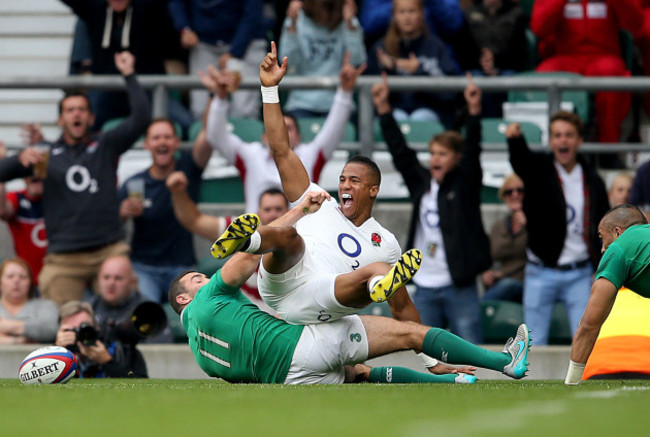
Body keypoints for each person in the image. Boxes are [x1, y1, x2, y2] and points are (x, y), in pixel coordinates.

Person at [257, 42, 425, 329]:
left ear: (373, 190)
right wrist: (270, 89)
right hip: (284, 286)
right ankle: (249, 241)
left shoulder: (386, 244)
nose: (344, 186)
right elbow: (282, 150)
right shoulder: (318, 202)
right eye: (342, 179)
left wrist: (427, 356)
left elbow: (403, 306)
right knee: (289, 236)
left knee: (379, 272)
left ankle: (376, 287)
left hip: (325, 310)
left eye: (355, 181)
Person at [168, 253, 531, 384]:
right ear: (184, 297)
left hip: (291, 379)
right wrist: (270, 233)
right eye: (197, 279)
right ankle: (505, 361)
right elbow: (245, 260)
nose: (206, 278)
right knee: (409, 333)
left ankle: (452, 384)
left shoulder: (200, 355)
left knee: (361, 374)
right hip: (304, 344)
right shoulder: (208, 299)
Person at [0, 52, 150, 307]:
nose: (76, 114)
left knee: (128, 309)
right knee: (54, 320)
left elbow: (141, 119)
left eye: (82, 109)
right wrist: (19, 159)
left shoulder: (106, 144)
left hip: (108, 249)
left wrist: (129, 74)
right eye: (70, 110)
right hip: (63, 257)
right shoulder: (45, 153)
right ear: (60, 120)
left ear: (91, 118)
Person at [370, 72, 489, 344]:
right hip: (424, 285)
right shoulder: (421, 183)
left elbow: (473, 151)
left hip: (459, 285)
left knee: (472, 348)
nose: (434, 158)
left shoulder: (465, 185)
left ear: (456, 159)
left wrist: (474, 111)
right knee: (425, 351)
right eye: (432, 153)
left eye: (442, 154)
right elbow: (400, 152)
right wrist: (384, 110)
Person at [202, 56, 358, 213]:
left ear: (299, 137)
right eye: (276, 128)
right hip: (259, 234)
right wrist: (220, 98)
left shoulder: (310, 154)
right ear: (264, 137)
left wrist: (345, 92)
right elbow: (215, 135)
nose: (281, 132)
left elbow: (334, 129)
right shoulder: (251, 155)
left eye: (288, 128)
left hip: (300, 235)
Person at [506, 111, 610, 345]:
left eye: (569, 135)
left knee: (586, 342)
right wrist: (514, 139)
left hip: (581, 273)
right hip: (540, 271)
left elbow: (603, 226)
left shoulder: (593, 179)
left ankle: (583, 383)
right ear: (551, 141)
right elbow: (521, 161)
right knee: (532, 345)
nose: (563, 140)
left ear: (579, 141)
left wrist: (600, 267)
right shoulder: (539, 170)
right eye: (557, 135)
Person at [60, 0, 192, 132]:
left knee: (186, 124)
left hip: (146, 89)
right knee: (82, 123)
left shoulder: (149, 8)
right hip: (107, 90)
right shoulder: (95, 8)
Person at [118, 118, 212, 303]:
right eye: (156, 138)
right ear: (146, 144)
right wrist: (121, 214)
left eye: (168, 137)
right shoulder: (134, 184)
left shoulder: (187, 171)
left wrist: (217, 97)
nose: (162, 142)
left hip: (181, 267)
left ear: (177, 143)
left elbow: (208, 135)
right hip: (143, 268)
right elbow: (110, 228)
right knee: (146, 312)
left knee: (196, 311)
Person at [166, 171, 288, 311]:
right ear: (258, 212)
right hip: (247, 315)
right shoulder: (241, 229)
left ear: (287, 211)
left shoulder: (303, 235)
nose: (273, 214)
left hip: (287, 315)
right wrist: (177, 193)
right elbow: (194, 221)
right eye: (268, 209)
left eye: (278, 209)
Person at [530, 0, 644, 144]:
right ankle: (549, 144)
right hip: (566, 56)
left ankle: (608, 147)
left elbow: (636, 24)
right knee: (545, 76)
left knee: (612, 75)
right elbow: (539, 27)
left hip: (604, 55)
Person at [565, 204, 649, 385]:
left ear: (618, 232)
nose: (603, 249)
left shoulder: (617, 249)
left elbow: (589, 324)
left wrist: (571, 382)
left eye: (602, 238)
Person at [168, 0, 268, 119]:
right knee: (200, 109)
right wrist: (185, 28)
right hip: (205, 42)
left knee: (244, 111)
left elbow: (252, 14)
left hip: (246, 43)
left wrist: (234, 52)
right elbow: (176, 3)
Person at [367, 0, 459, 126]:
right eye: (402, 12)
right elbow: (368, 89)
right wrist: (388, 69)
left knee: (421, 117)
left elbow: (450, 92)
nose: (407, 17)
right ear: (394, 15)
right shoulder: (381, 49)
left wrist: (419, 71)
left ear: (421, 13)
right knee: (395, 117)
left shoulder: (436, 46)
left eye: (412, 11)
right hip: (393, 109)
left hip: (429, 111)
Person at [279, 0, 367, 118]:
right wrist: (292, 27)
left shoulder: (348, 19)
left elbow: (357, 62)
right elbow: (288, 62)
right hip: (301, 101)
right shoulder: (296, 18)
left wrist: (350, 24)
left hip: (338, 98)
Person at [463, 0, 528, 117]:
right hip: (477, 67)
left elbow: (520, 53)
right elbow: (464, 49)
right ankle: (482, 122)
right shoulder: (469, 13)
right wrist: (482, 61)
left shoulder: (516, 13)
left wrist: (496, 64)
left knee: (509, 79)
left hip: (506, 67)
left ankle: (507, 122)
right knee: (475, 80)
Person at [55, 300, 148, 378]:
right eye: (71, 331)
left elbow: (141, 385)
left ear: (96, 328)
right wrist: (57, 354)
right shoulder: (52, 357)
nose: (78, 336)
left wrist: (107, 362)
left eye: (84, 329)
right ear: (60, 332)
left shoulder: (123, 351)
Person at [0, 142, 47, 284]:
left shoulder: (59, 199)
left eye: (38, 169)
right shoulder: (17, 198)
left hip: (59, 278)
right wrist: (3, 165)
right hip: (27, 283)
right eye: (28, 170)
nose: (33, 174)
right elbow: (2, 210)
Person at [481, 174, 527, 303]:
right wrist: (487, 273)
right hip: (500, 283)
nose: (514, 195)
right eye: (509, 192)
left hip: (527, 282)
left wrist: (528, 225)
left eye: (519, 191)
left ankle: (478, 312)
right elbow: (488, 256)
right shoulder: (498, 226)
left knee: (508, 285)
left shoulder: (535, 223)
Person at [0, 258, 58, 344]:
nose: (16, 281)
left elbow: (51, 330)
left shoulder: (46, 306)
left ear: (30, 283)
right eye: (10, 276)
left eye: (22, 277)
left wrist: (7, 326)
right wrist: (18, 340)